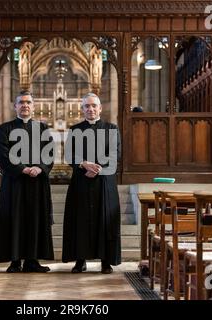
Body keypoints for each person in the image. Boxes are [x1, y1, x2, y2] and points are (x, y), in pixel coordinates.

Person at [62, 92, 122, 274]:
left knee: (105, 221)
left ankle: (106, 261)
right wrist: (83, 164)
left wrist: (98, 169)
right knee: (80, 221)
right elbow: (69, 155)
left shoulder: (111, 129)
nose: (90, 109)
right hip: (81, 181)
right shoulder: (75, 130)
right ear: (82, 109)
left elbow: (116, 153)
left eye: (94, 106)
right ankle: (80, 260)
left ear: (100, 108)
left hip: (105, 182)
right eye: (87, 106)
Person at [0, 91, 55, 273]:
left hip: (37, 183)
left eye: (28, 102)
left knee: (35, 220)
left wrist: (40, 168)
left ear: (33, 106)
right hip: (14, 182)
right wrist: (23, 169)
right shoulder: (5, 129)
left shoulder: (43, 129)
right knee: (14, 219)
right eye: (21, 102)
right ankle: (14, 261)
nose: (25, 105)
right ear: (15, 106)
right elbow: (2, 153)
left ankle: (32, 260)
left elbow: (50, 153)